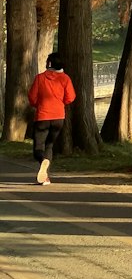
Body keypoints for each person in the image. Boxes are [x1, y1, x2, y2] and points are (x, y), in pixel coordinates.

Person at [27, 53, 76, 185]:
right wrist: (61, 103)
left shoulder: (40, 78)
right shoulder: (65, 79)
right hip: (59, 117)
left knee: (38, 148)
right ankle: (45, 177)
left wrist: (37, 104)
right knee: (49, 145)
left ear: (49, 63)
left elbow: (32, 97)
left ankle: (43, 161)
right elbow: (70, 97)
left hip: (43, 116)